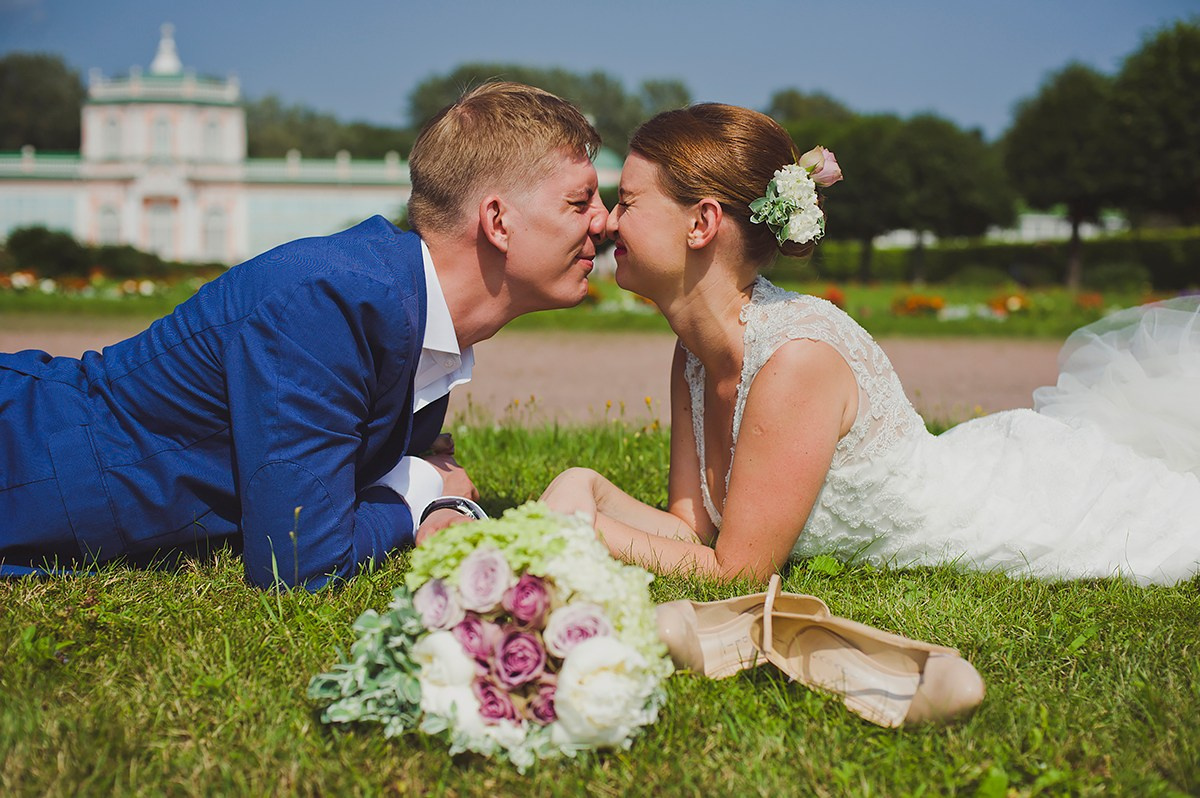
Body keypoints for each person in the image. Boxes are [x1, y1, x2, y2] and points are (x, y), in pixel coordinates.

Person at [540, 102, 1200, 587]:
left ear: (702, 223)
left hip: (1025, 510)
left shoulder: (795, 359)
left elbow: (736, 571)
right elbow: (692, 533)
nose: (607, 221)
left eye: (628, 202)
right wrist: (584, 487)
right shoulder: (693, 353)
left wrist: (581, 529)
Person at [0, 82, 607, 590]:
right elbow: (300, 563)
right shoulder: (328, 302)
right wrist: (418, 490)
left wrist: (433, 494)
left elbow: (347, 482)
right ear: (497, 220)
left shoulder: (410, 312)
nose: (604, 221)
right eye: (580, 202)